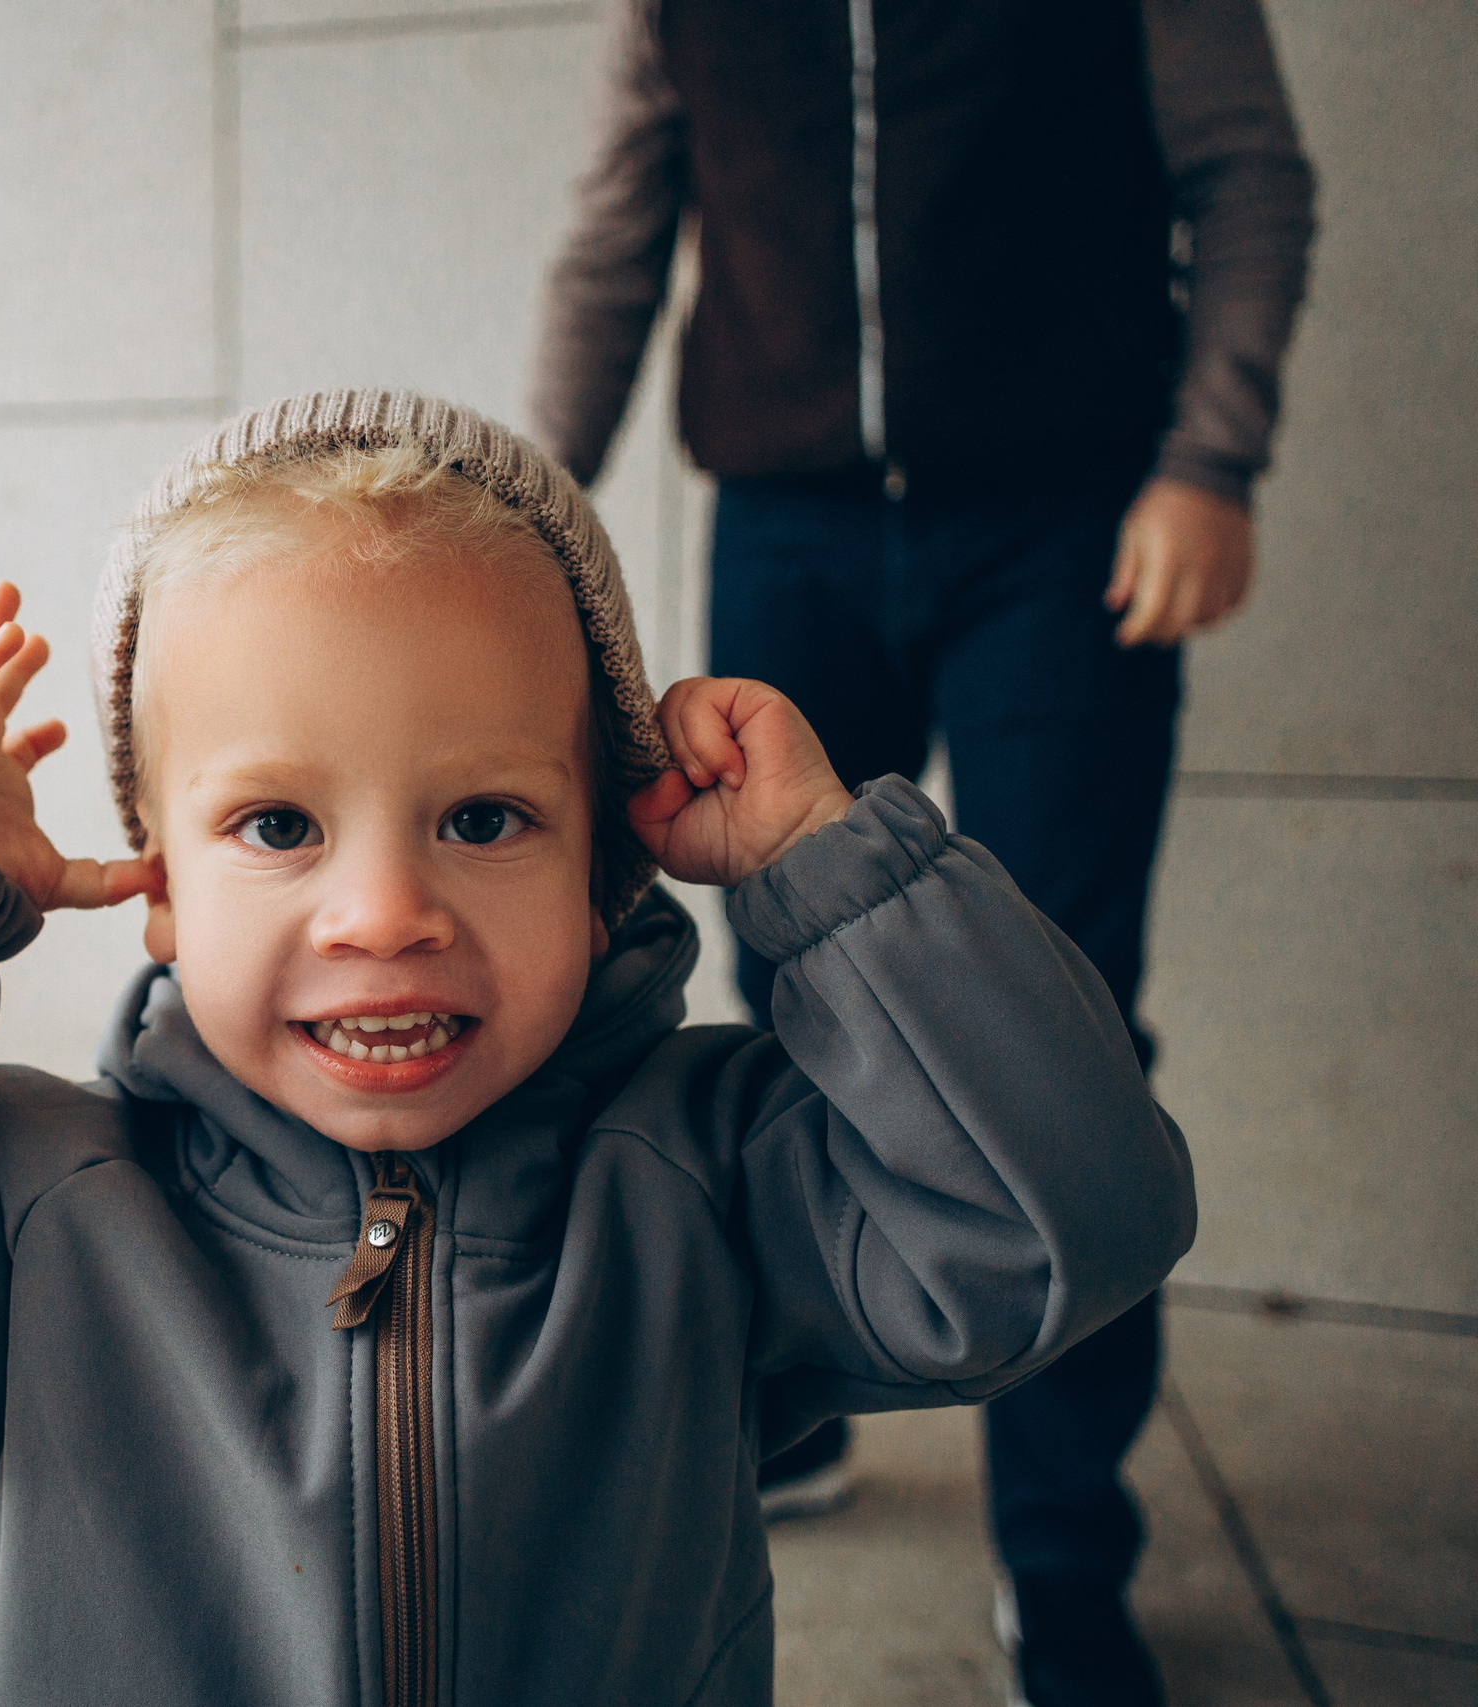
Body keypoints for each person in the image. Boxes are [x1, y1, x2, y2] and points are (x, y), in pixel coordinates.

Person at [0, 391, 1194, 1706]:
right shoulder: (43, 1215)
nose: (383, 911)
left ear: (605, 869)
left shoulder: (701, 1179)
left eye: (483, 818)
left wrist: (828, 872)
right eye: (278, 824)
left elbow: (1074, 1222)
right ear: (156, 890)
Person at [525, 4, 1314, 1703]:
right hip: (787, 528)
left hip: (1068, 521)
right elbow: (615, 230)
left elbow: (1246, 177)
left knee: (1050, 1017)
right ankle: (797, 1404)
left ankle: (1061, 1552)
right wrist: (519, 516)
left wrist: (1209, 460)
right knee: (792, 994)